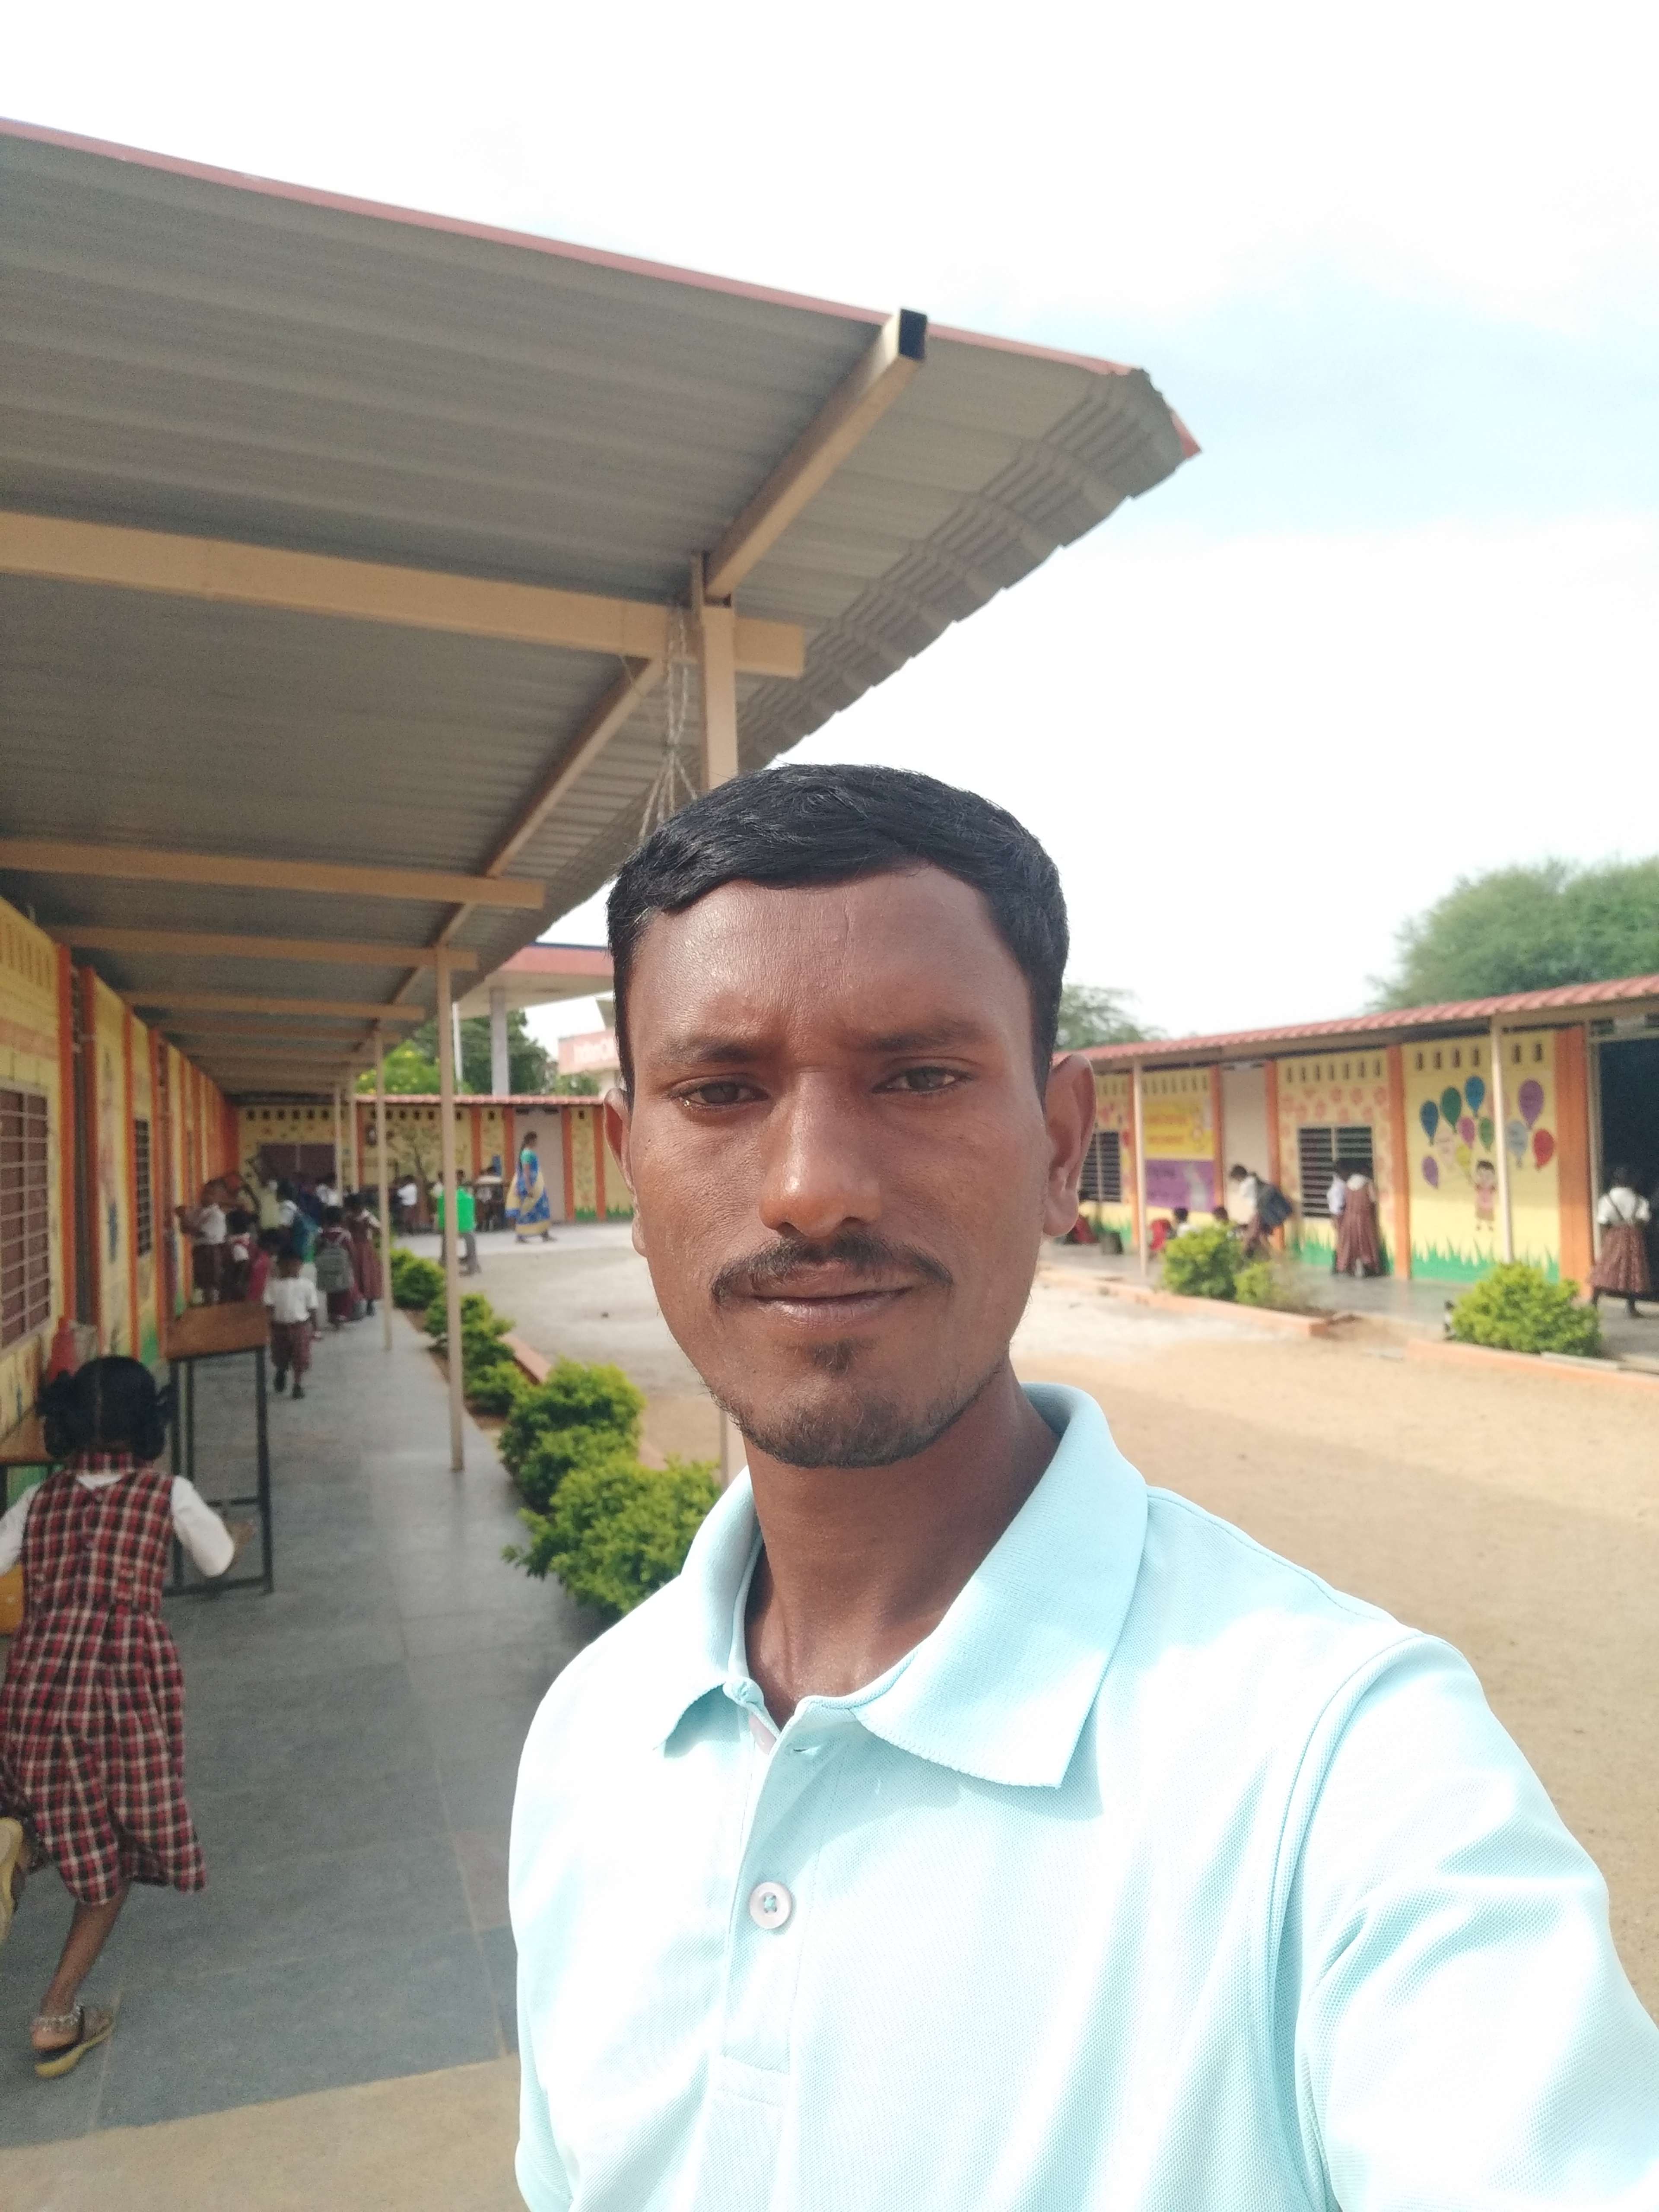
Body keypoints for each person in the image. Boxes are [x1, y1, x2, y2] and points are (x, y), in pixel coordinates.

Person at [509, 764, 1659, 2212]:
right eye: (720, 1091)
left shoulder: (1345, 1783)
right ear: (631, 1158)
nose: (811, 1188)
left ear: (1062, 1146)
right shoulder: (590, 1745)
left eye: (918, 1078)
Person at [0, 1359, 245, 2076]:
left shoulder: (38, 1500)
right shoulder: (168, 1494)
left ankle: (22, 1843)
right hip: (119, 1700)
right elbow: (218, 1561)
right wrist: (225, 1530)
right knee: (113, 1857)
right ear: (148, 1427)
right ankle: (57, 2012)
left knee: (42, 1804)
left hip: (35, 1690)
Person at [1589, 1167, 1652, 1317]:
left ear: (1615, 1180)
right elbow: (1644, 1220)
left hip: (1614, 1235)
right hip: (1634, 1236)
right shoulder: (1639, 1200)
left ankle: (1594, 1302)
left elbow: (1603, 1221)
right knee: (1633, 1270)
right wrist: (1632, 1227)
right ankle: (1631, 1308)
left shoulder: (1607, 1199)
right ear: (1631, 1181)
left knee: (1606, 1267)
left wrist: (1610, 1237)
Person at [264, 1246, 319, 1396]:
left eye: (294, 1265)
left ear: (300, 1266)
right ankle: (281, 1371)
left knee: (301, 1357)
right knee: (280, 1355)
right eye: (286, 1265)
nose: (290, 1268)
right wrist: (266, 1329)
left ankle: (297, 1384)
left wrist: (315, 1329)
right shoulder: (273, 1285)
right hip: (279, 1327)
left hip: (300, 1326)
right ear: (279, 1266)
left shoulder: (307, 1285)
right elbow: (269, 1307)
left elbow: (312, 1308)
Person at [177, 1179, 228, 1304]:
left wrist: (183, 1217)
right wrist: (183, 1218)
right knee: (202, 1284)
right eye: (204, 1192)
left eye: (211, 1194)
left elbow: (199, 1232)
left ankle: (213, 1309)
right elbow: (185, 1229)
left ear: (218, 1197)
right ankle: (207, 1307)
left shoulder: (216, 1215)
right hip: (199, 1250)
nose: (205, 1196)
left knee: (211, 1285)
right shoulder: (198, 1210)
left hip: (211, 1251)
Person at [1335, 1162, 1383, 1277]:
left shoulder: (1348, 1185)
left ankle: (1348, 1267)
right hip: (1364, 1218)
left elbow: (1344, 1201)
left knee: (1350, 1244)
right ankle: (1369, 1266)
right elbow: (1374, 1200)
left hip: (1349, 1219)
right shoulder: (1368, 1184)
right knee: (1366, 1243)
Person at [314, 1205, 359, 1327]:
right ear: (341, 1219)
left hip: (327, 1269)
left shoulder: (322, 1235)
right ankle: (341, 1316)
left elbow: (317, 1251)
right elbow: (352, 1252)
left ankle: (332, 1315)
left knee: (331, 1292)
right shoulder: (345, 1235)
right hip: (342, 1269)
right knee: (344, 1292)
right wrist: (353, 1266)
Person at [508, 1131, 554, 1244]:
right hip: (531, 1186)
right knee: (526, 1211)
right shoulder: (527, 1154)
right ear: (532, 1141)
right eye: (536, 1140)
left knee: (541, 1210)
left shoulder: (528, 1153)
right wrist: (529, 1188)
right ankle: (520, 1236)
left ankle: (545, 1234)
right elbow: (526, 1172)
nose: (537, 1142)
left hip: (537, 1186)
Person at [343, 1194, 383, 1315]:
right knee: (358, 1275)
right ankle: (357, 1304)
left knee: (367, 1274)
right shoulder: (350, 1217)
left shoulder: (366, 1217)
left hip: (363, 1248)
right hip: (357, 1248)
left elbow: (379, 1230)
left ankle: (369, 1304)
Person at [1225, 1161, 1265, 1258]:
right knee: (1260, 1236)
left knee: (1249, 1237)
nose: (1236, 1182)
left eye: (1236, 1179)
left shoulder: (1246, 1185)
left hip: (1259, 1212)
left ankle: (1242, 1259)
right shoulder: (1254, 1179)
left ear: (1238, 1176)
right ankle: (1272, 1257)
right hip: (1262, 1212)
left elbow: (1250, 1200)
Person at [1325, 1163, 1347, 1268]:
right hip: (1340, 1215)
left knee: (1339, 1240)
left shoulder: (1335, 1185)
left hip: (1335, 1215)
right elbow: (1339, 1204)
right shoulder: (1341, 1186)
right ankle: (1338, 1265)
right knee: (1341, 1240)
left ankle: (1337, 1265)